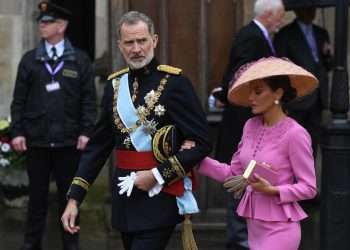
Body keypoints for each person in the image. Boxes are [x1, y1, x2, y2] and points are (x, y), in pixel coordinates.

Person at [61, 11, 211, 250]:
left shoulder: (175, 83)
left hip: (159, 196)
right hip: (125, 200)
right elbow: (98, 147)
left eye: (142, 40)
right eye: (129, 42)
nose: (136, 48)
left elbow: (203, 142)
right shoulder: (114, 86)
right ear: (120, 46)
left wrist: (158, 175)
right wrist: (74, 198)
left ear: (155, 40)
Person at [197, 57, 318, 250]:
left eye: (258, 91)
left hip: (281, 230)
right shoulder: (250, 126)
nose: (251, 97)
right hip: (254, 229)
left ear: (278, 93)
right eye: (250, 91)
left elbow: (309, 188)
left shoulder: (295, 134)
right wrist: (196, 160)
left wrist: (273, 190)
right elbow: (234, 174)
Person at [10, 2, 96, 250]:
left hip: (69, 143)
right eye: (41, 21)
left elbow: (89, 101)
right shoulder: (30, 60)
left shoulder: (79, 60)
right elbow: (19, 102)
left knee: (70, 197)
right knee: (36, 198)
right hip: (37, 141)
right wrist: (17, 132)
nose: (41, 26)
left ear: (61, 26)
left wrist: (86, 131)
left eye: (46, 22)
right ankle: (31, 242)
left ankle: (71, 242)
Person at [212, 0, 285, 249]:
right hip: (242, 123)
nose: (281, 22)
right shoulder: (251, 36)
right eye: (280, 16)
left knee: (250, 182)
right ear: (268, 14)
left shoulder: (257, 36)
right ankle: (240, 241)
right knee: (240, 182)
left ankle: (248, 238)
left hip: (253, 123)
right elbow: (240, 74)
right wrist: (228, 94)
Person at [274, 6, 333, 157]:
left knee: (312, 144)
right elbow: (280, 67)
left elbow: (328, 65)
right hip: (297, 98)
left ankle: (308, 179)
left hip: (318, 98)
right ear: (298, 10)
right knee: (293, 144)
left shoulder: (321, 33)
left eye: (312, 8)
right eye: (307, 8)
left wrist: (327, 54)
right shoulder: (285, 34)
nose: (311, 11)